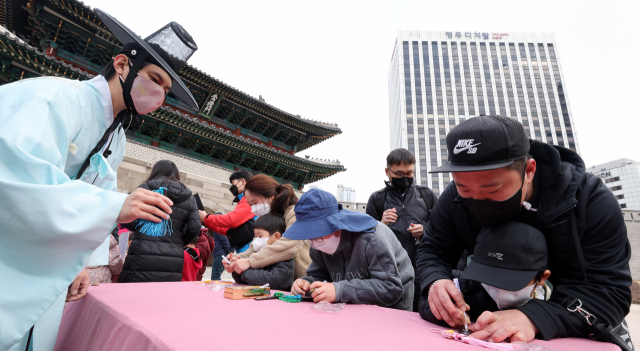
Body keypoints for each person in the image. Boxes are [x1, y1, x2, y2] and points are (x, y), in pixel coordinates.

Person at [0, 9, 200, 350]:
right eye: (154, 79)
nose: (159, 95)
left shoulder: (116, 138)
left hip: (49, 264)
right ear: (122, 64)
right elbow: (17, 179)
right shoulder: (54, 98)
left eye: (165, 90)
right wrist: (116, 205)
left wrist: (77, 263)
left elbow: (97, 195)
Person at [416, 115, 632, 347]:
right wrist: (435, 281)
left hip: (576, 324)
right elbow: (433, 249)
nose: (476, 199)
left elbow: (610, 293)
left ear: (529, 171)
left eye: (492, 189)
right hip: (491, 325)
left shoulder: (590, 201)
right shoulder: (455, 198)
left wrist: (534, 316)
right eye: (464, 188)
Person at [286, 189, 415, 311]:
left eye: (317, 234)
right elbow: (320, 276)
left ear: (336, 224)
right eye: (309, 237)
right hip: (350, 307)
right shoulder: (317, 245)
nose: (313, 242)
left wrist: (339, 291)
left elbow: (391, 288)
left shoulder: (372, 239)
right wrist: (306, 284)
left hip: (393, 309)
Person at [419, 221, 551, 327]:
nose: (499, 288)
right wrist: (450, 313)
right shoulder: (468, 288)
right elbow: (427, 300)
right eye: (490, 277)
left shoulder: (550, 303)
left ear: (542, 278)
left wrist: (534, 321)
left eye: (510, 280)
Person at [366, 148, 437, 311]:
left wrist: (424, 230)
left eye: (409, 173)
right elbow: (366, 237)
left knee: (424, 317)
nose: (404, 178)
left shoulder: (426, 196)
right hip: (389, 272)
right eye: (399, 174)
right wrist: (381, 224)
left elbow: (443, 230)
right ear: (387, 172)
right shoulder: (377, 198)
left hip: (422, 269)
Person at [119, 160, 201, 282]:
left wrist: (138, 228)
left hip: (141, 253)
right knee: (164, 295)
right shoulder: (189, 198)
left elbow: (127, 216)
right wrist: (177, 240)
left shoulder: (145, 189)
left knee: (133, 294)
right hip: (173, 258)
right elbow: (194, 227)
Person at [225, 174, 311, 280]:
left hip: (300, 280)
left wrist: (250, 261)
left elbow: (290, 244)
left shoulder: (295, 213)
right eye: (250, 205)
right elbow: (255, 247)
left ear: (271, 196)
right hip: (274, 277)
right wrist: (237, 259)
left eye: (255, 202)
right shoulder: (267, 217)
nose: (253, 209)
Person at [232, 213, 295, 291]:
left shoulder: (283, 256)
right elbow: (240, 279)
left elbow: (277, 281)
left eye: (260, 236)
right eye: (255, 236)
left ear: (276, 237)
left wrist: (245, 273)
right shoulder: (257, 254)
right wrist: (236, 267)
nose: (256, 240)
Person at [200, 170, 255, 253]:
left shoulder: (250, 197)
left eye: (233, 183)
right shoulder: (244, 199)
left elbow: (232, 220)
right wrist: (206, 220)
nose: (232, 187)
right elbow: (229, 230)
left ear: (243, 181)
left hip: (248, 250)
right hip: (245, 250)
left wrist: (206, 217)